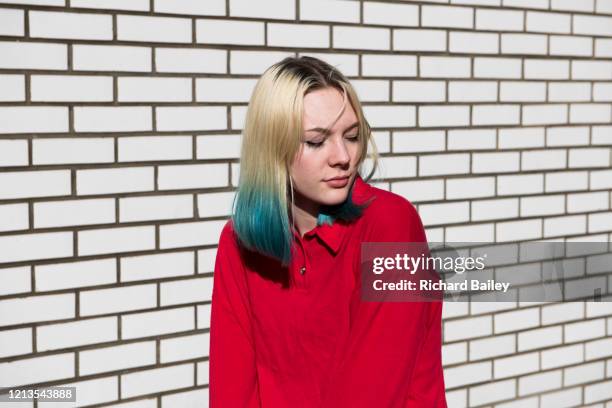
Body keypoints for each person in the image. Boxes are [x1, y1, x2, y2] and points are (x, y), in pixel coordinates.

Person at [209, 56, 447, 407]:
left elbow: (373, 393)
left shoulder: (391, 226)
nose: (342, 156)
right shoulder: (239, 241)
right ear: (272, 149)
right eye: (317, 141)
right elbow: (232, 388)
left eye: (352, 136)